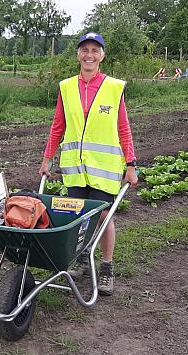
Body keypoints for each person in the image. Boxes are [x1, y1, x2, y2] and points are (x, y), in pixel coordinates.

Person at [38, 32, 138, 296]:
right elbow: (58, 125)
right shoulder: (66, 87)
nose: (89, 55)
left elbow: (123, 128)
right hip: (74, 167)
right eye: (85, 50)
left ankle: (106, 267)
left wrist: (131, 164)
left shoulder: (113, 88)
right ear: (78, 55)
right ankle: (82, 258)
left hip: (104, 167)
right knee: (78, 216)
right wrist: (48, 158)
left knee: (104, 217)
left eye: (95, 50)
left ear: (102, 55)